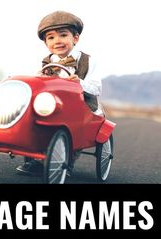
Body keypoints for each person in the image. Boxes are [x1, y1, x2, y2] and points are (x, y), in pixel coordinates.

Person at [16, 10, 103, 176]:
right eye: (51, 37)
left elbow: (97, 88)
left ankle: (66, 163)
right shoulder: (46, 62)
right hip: (53, 105)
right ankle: (32, 158)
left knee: (74, 125)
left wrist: (80, 83)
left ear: (75, 38)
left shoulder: (87, 60)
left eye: (63, 35)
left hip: (80, 105)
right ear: (46, 43)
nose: (57, 41)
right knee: (31, 116)